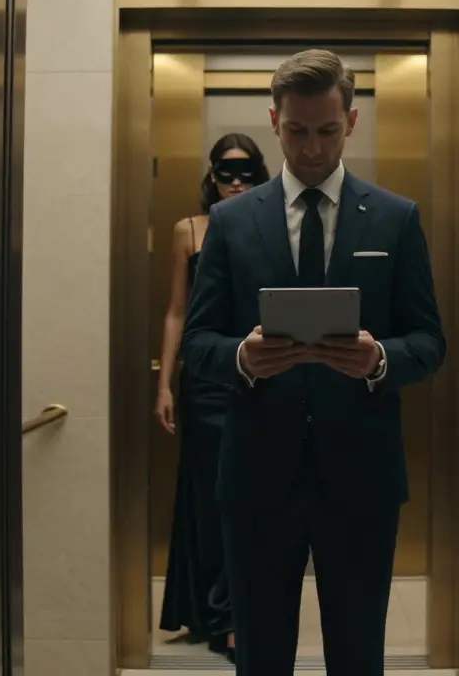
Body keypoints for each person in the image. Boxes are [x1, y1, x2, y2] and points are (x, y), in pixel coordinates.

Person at [181, 50, 445, 675]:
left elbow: (429, 341)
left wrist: (379, 358)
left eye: (327, 130)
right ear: (274, 120)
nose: (312, 148)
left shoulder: (394, 217)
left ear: (351, 122)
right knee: (261, 656)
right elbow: (197, 344)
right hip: (256, 476)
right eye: (296, 130)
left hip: (361, 476)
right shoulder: (231, 221)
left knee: (358, 655)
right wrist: (241, 358)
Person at [155, 133, 272, 661]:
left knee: (251, 494)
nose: (238, 183)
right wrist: (163, 381)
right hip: (203, 381)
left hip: (261, 374)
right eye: (228, 173)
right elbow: (176, 310)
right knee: (209, 497)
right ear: (212, 177)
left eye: (248, 173)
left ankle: (235, 612)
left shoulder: (269, 224)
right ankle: (214, 614)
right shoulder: (188, 229)